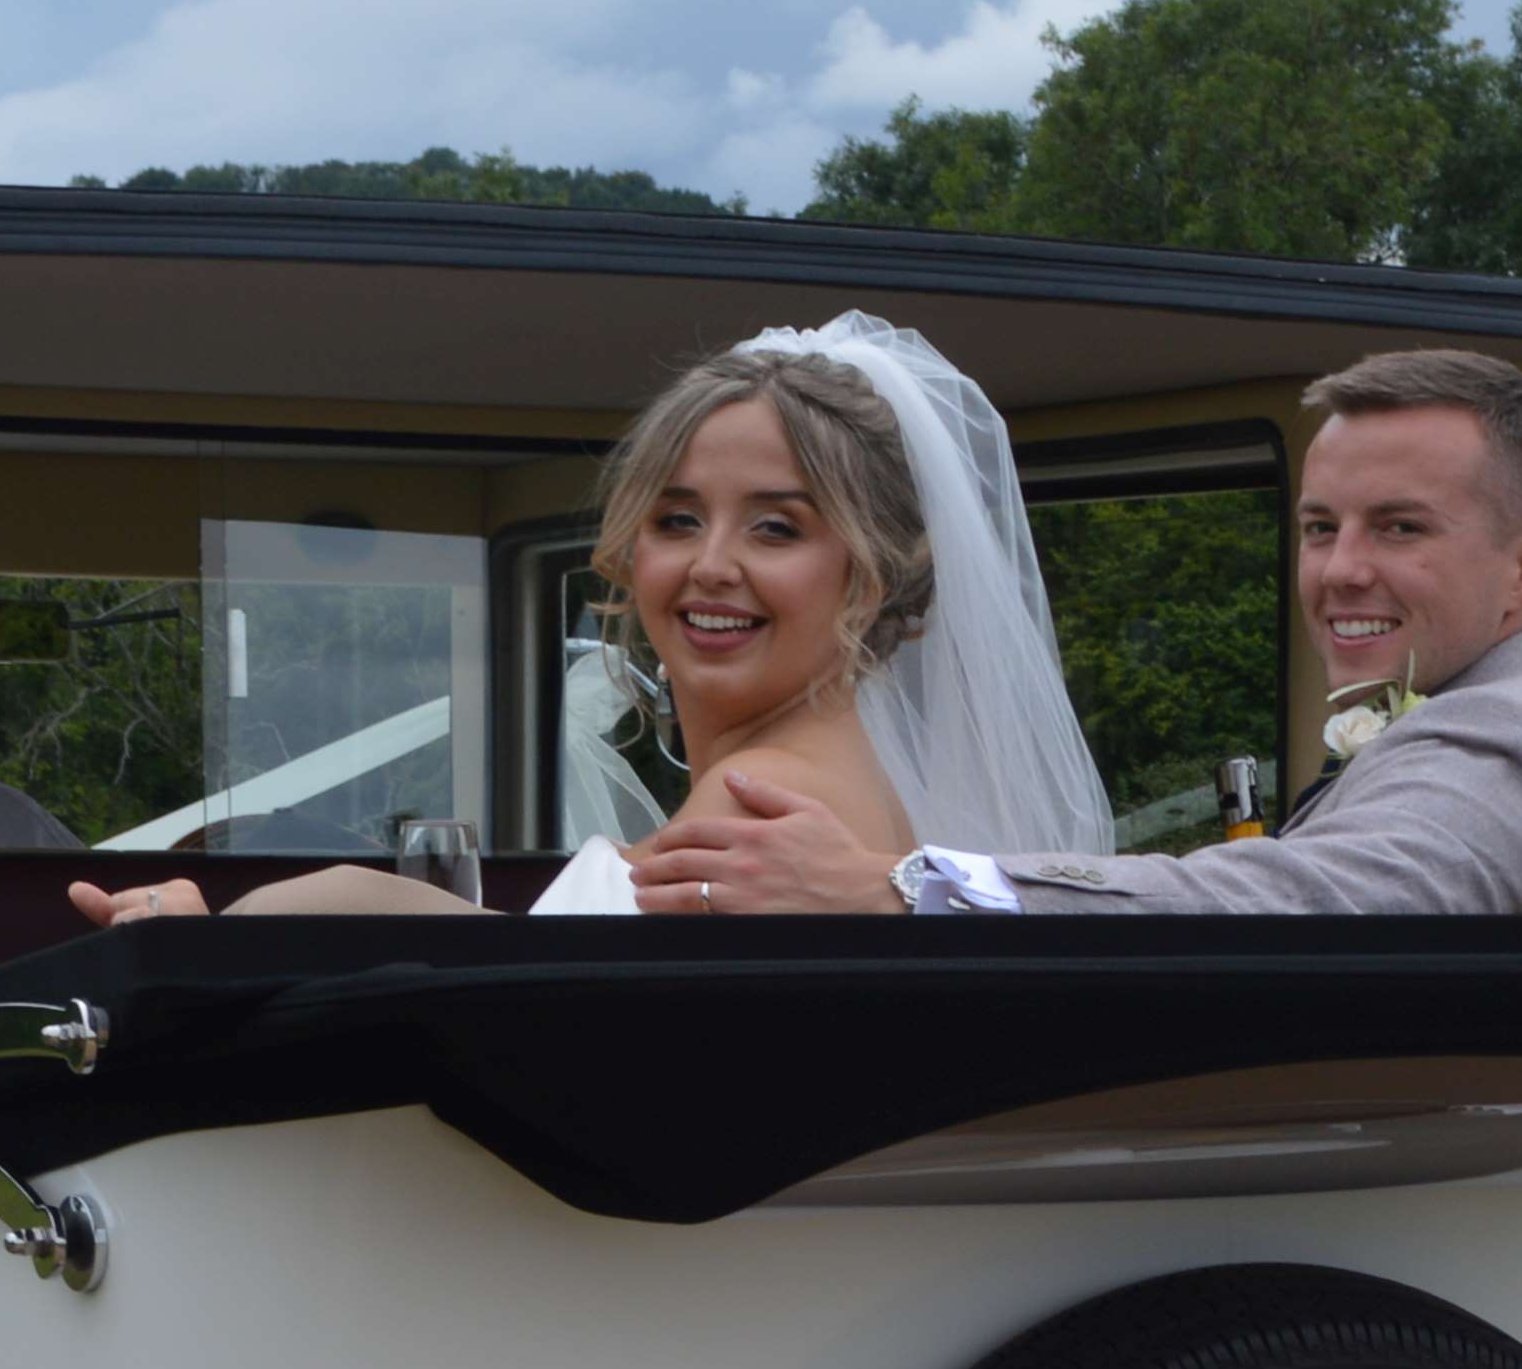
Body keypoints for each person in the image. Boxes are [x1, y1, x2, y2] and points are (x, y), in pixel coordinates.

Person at [78, 315, 1106, 925]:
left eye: (777, 528)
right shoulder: (856, 788)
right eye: (677, 518)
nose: (711, 566)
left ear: (870, 575)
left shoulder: (761, 813)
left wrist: (245, 922)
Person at [637, 343, 1522, 916]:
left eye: (1401, 528)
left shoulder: (1506, 747)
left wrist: (906, 889)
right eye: (1319, 527)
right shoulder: (1440, 722)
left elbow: (1287, 905)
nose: (1342, 571)